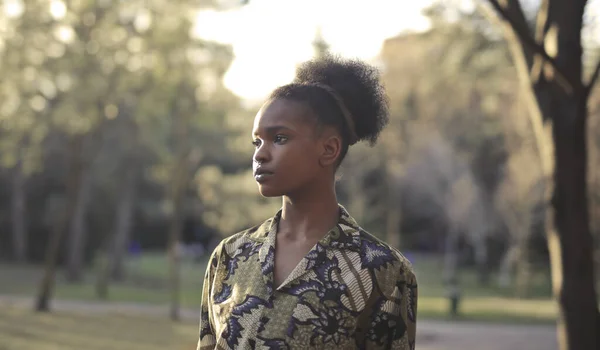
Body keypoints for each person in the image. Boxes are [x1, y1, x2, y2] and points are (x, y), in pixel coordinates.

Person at [197, 55, 418, 350]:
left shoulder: (384, 272)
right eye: (257, 141)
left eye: (279, 138)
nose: (260, 154)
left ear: (328, 149)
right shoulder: (230, 256)